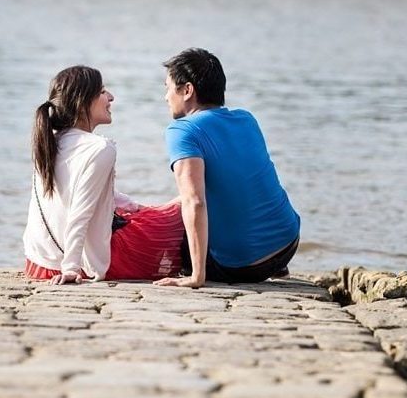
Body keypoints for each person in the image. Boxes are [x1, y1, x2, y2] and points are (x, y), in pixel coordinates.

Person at [23, 65, 185, 285]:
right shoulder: (99, 148)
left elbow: (83, 191)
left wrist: (136, 206)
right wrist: (70, 268)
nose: (111, 97)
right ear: (82, 103)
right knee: (182, 215)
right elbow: (81, 210)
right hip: (81, 263)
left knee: (166, 208)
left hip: (39, 263)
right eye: (102, 92)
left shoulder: (51, 141)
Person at [154, 48, 301, 288]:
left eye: (168, 88)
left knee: (176, 233)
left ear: (187, 90)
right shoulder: (247, 118)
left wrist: (196, 277)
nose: (166, 96)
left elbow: (195, 202)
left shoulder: (182, 130)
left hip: (242, 266)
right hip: (287, 244)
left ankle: (198, 270)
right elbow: (234, 181)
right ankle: (274, 263)